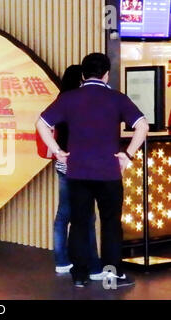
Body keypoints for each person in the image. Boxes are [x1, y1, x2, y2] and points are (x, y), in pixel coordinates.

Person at [36, 53, 149, 288]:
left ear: (83, 75)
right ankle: (111, 274)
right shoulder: (116, 98)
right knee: (110, 223)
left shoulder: (69, 98)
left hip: (77, 172)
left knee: (79, 222)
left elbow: (42, 123)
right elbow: (142, 125)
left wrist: (57, 150)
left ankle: (79, 275)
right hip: (108, 172)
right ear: (106, 74)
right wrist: (127, 155)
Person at [53, 65, 103, 281]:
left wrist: (58, 152)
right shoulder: (80, 103)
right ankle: (93, 265)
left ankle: (61, 261)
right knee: (88, 216)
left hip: (63, 165)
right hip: (82, 167)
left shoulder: (60, 102)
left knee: (63, 214)